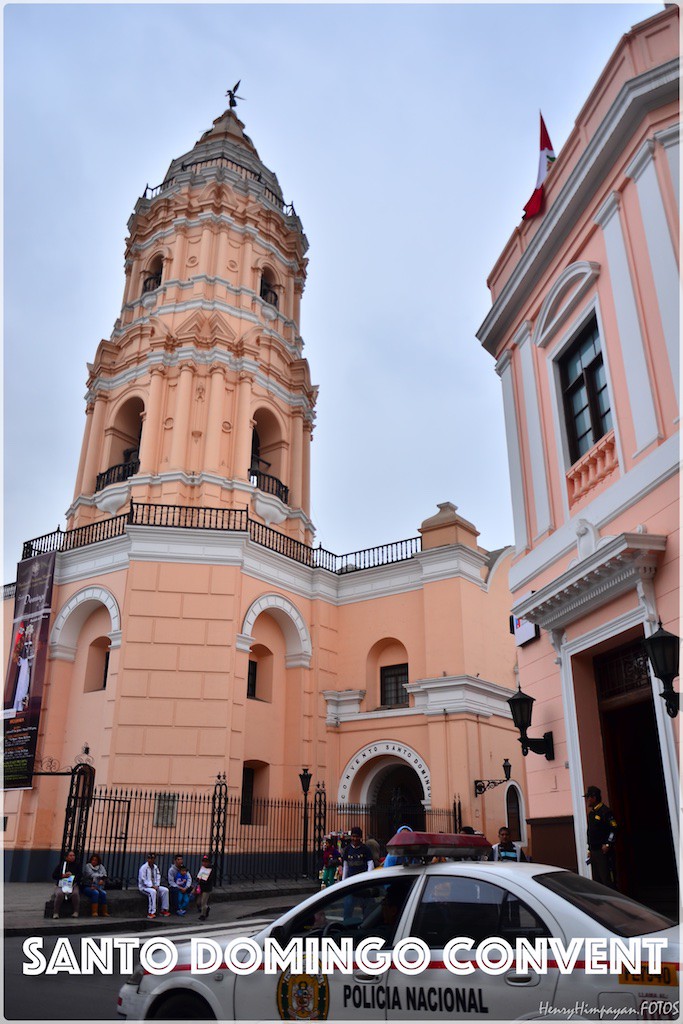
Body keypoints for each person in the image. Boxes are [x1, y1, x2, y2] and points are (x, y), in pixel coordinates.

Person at [584, 786, 617, 887]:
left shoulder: (605, 812)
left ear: (594, 798)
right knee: (597, 880)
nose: (587, 800)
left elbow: (614, 829)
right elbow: (591, 833)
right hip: (594, 851)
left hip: (602, 851)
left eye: (588, 797)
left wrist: (608, 844)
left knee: (606, 879)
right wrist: (589, 849)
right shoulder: (592, 814)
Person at [138, 853, 170, 920]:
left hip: (155, 885)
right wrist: (151, 886)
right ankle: (151, 912)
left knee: (165, 890)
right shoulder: (143, 868)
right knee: (152, 892)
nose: (151, 860)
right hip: (145, 887)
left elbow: (158, 876)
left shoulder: (155, 867)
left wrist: (157, 885)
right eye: (150, 858)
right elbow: (143, 879)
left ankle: (164, 909)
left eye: (152, 859)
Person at [52, 850, 81, 919]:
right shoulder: (61, 865)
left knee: (75, 894)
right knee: (59, 894)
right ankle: (56, 912)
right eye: (70, 856)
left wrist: (73, 878)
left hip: (73, 885)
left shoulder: (77, 865)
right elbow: (54, 875)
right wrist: (63, 876)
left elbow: (80, 876)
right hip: (61, 884)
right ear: (66, 857)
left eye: (73, 855)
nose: (72, 857)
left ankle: (76, 912)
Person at [195, 854, 214, 921]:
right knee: (198, 902)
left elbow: (208, 879)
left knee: (203, 902)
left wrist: (202, 880)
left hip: (206, 888)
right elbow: (198, 877)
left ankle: (203, 915)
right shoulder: (202, 869)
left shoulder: (210, 870)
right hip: (201, 888)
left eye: (206, 862)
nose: (204, 863)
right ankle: (206, 909)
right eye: (203, 862)